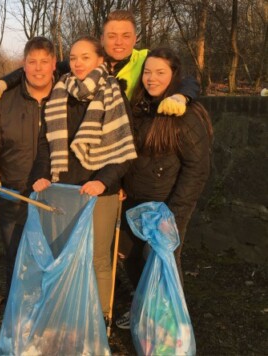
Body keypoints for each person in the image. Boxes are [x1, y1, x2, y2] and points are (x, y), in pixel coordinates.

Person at [30, 36, 137, 320]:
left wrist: (103, 181)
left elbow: (125, 150)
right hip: (63, 189)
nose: (78, 63)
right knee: (64, 255)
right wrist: (42, 176)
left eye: (86, 57)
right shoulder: (59, 94)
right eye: (74, 58)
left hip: (100, 192)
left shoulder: (114, 94)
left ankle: (101, 318)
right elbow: (45, 144)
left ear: (100, 60)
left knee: (98, 258)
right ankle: (68, 311)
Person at [115, 48, 212, 329]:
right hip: (134, 199)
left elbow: (197, 168)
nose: (151, 78)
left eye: (160, 72)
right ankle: (146, 310)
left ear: (174, 76)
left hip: (166, 203)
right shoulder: (140, 106)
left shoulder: (186, 112)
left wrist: (175, 212)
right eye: (147, 72)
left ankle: (171, 328)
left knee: (160, 260)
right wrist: (121, 183)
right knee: (130, 256)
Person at [0, 10, 199, 115]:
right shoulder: (85, 62)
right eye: (112, 35)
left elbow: (184, 78)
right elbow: (38, 69)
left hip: (129, 139)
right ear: (102, 38)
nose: (119, 42)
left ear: (135, 39)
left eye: (126, 36)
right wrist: (2, 84)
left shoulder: (144, 59)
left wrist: (181, 97)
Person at [0, 37, 57, 296]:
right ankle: (17, 319)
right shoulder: (5, 101)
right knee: (16, 260)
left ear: (55, 64)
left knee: (53, 262)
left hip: (56, 196)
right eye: (32, 61)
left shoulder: (68, 95)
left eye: (44, 61)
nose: (38, 68)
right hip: (14, 195)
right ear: (23, 65)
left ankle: (48, 318)